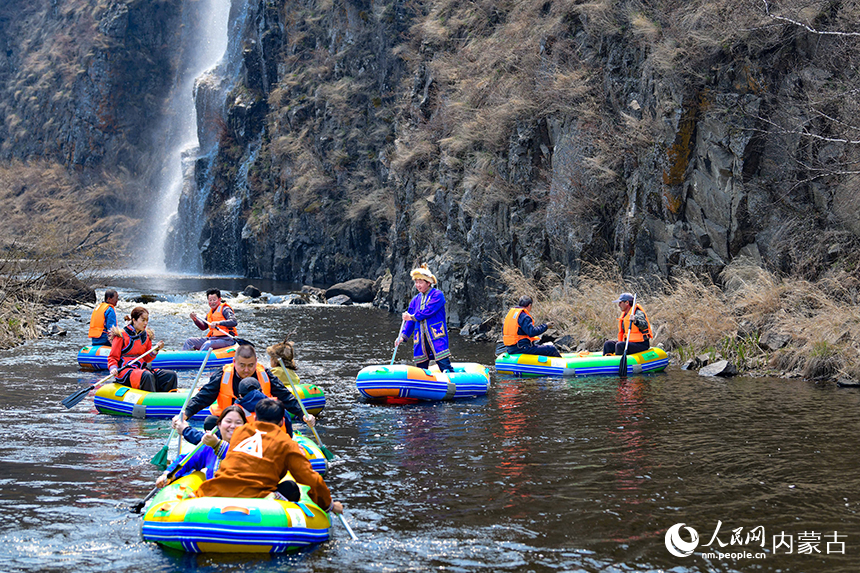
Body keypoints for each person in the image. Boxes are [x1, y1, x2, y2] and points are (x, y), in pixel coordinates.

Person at [196, 398, 344, 515]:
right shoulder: (286, 442)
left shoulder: (240, 433)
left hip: (216, 491)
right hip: (256, 498)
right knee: (290, 488)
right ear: (282, 421)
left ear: (256, 418)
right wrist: (329, 505)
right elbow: (310, 478)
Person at [179, 343, 316, 428]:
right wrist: (186, 414)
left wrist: (303, 414)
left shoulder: (265, 374)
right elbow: (204, 397)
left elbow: (285, 396)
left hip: (259, 423)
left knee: (283, 417)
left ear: (256, 361)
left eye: (251, 365)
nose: (246, 370)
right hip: (233, 423)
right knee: (210, 422)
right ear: (234, 361)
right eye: (242, 365)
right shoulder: (222, 375)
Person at [155, 405, 247, 487]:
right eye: (228, 421)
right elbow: (186, 461)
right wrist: (167, 474)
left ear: (245, 426)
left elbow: (237, 459)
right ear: (219, 425)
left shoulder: (250, 448)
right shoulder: (209, 449)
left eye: (238, 423)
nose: (233, 426)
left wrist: (216, 444)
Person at [395, 264, 454, 372]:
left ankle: (453, 381)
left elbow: (428, 311)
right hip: (420, 337)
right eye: (416, 282)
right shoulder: (415, 300)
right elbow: (410, 322)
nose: (418, 285)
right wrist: (402, 336)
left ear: (428, 282)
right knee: (421, 366)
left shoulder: (437, 295)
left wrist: (412, 317)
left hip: (435, 334)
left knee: (443, 362)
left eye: (420, 282)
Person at [108, 306, 178, 392]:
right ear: (134, 320)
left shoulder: (146, 336)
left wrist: (155, 350)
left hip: (141, 369)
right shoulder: (121, 335)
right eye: (143, 320)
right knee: (146, 375)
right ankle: (151, 401)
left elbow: (147, 359)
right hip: (125, 372)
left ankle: (168, 401)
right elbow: (113, 357)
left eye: (147, 320)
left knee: (171, 375)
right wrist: (113, 368)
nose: (145, 323)